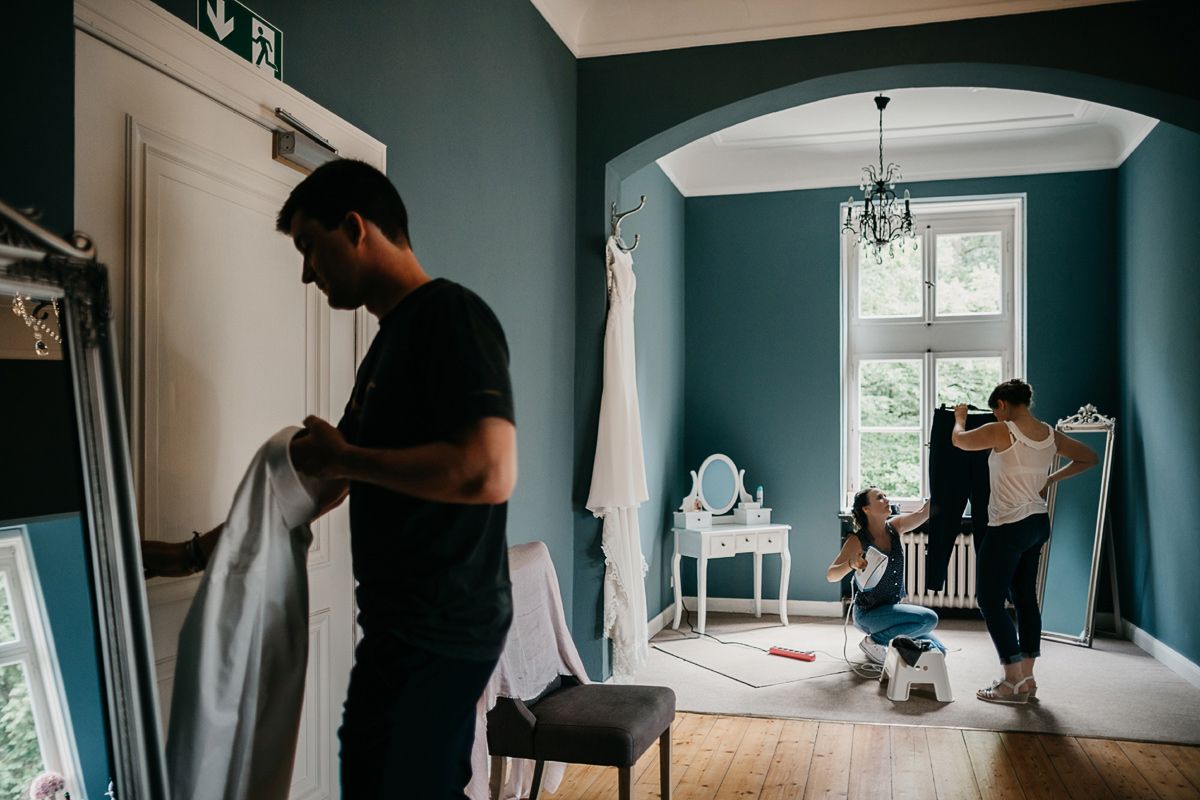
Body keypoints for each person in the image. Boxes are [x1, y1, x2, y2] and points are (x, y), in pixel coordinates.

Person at [144, 159, 518, 798]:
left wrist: (348, 458)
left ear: (355, 228)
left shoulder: (452, 315)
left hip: (442, 631)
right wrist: (192, 554)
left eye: (310, 248)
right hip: (404, 629)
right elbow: (325, 480)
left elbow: (488, 471)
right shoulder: (386, 345)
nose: (305, 271)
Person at [951, 378, 1096, 704]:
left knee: (989, 600)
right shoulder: (1049, 434)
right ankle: (1027, 680)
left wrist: (959, 417)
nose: (996, 416)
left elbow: (959, 442)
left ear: (1001, 404)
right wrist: (1049, 480)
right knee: (1024, 598)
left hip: (1008, 527)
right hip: (1036, 523)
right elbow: (1089, 457)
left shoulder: (1002, 430)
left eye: (995, 411)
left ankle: (1010, 680)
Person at [828, 488, 945, 665]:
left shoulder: (895, 527)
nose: (886, 499)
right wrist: (850, 564)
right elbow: (831, 575)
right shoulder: (857, 540)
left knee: (939, 651)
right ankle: (875, 641)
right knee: (929, 619)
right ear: (866, 509)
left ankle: (891, 647)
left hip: (891, 609)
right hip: (868, 614)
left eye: (885, 496)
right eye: (879, 498)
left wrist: (941, 484)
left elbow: (923, 513)